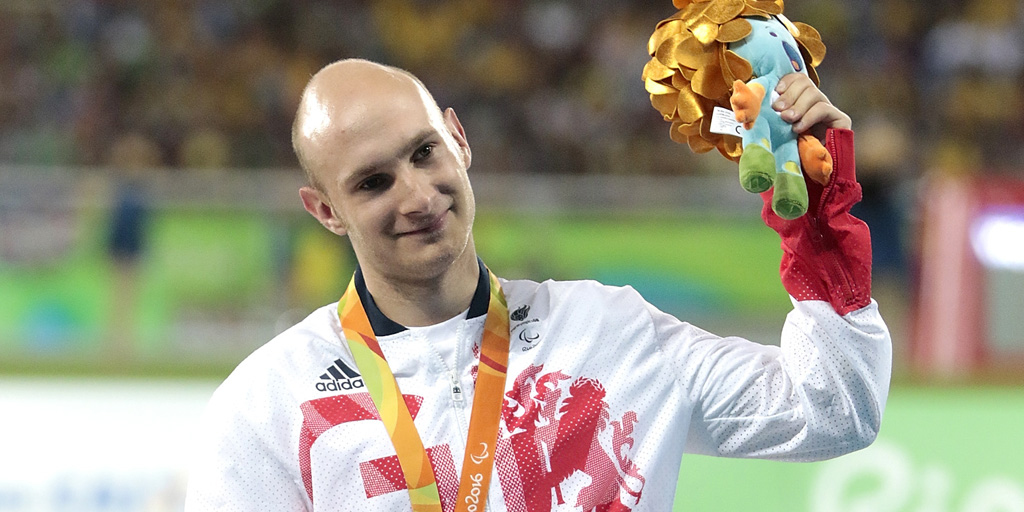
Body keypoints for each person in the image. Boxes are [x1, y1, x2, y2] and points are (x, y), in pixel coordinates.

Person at [184, 59, 891, 511]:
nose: (417, 196)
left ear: (458, 139)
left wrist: (818, 234)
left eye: (424, 153)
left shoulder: (611, 333)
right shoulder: (267, 406)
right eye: (373, 183)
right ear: (326, 211)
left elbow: (832, 410)